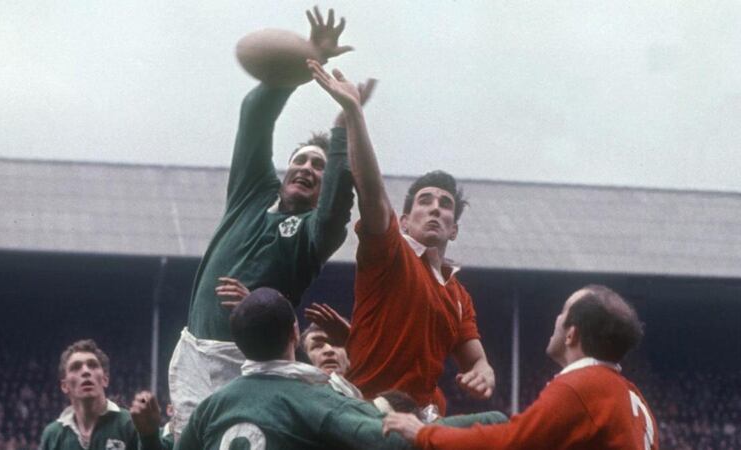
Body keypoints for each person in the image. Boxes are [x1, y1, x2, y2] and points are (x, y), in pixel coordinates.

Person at [168, 7, 376, 434]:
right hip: (191, 351)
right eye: (300, 160)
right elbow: (254, 116)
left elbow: (338, 202)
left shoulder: (315, 233)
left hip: (247, 366)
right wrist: (304, 63)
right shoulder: (251, 194)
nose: (307, 168)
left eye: (319, 168)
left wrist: (342, 127)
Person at [307, 61, 495, 413]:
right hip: (365, 413)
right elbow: (372, 191)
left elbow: (476, 361)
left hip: (419, 422)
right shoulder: (391, 252)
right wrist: (353, 112)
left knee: (493, 422)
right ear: (405, 222)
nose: (436, 208)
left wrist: (484, 372)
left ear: (454, 228)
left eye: (445, 204)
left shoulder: (458, 296)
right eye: (425, 201)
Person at [177, 288, 499, 450]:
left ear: (240, 344)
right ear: (294, 333)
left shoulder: (210, 408)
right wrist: (493, 422)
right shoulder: (314, 400)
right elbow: (391, 440)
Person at [383, 285, 660, 450]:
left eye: (563, 311)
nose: (556, 317)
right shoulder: (634, 398)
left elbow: (509, 442)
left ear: (571, 334)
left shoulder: (582, 386)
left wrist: (422, 433)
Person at [39, 340, 158, 450]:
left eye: (92, 365)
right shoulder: (52, 435)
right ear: (65, 386)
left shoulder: (130, 423)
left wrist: (150, 437)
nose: (85, 371)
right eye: (76, 367)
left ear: (105, 379)